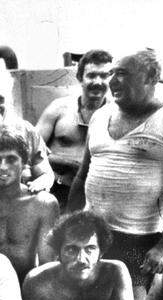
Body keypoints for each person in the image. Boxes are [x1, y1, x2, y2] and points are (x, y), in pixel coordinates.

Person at [69, 49, 163, 300]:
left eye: (123, 74)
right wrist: (68, 227)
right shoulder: (99, 116)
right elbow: (82, 175)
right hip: (92, 234)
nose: (113, 81)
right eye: (112, 74)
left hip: (139, 240)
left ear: (151, 77)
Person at [0, 131, 60, 279]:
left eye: (11, 159)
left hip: (25, 286)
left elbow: (47, 265)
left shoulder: (43, 204)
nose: (3, 167)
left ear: (24, 163)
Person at [35, 49, 112, 205]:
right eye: (91, 75)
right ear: (80, 78)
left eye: (104, 76)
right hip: (57, 189)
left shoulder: (117, 115)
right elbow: (31, 149)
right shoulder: (58, 108)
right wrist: (69, 164)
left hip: (97, 194)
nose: (98, 82)